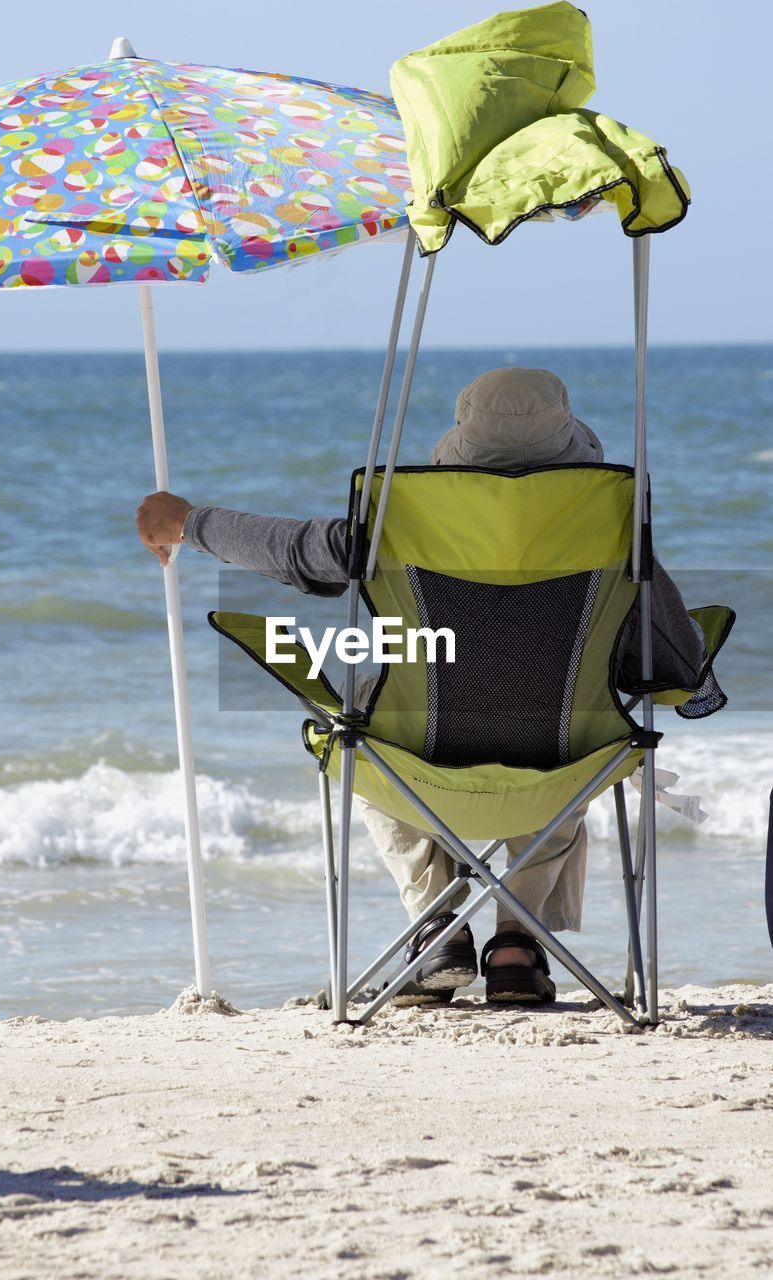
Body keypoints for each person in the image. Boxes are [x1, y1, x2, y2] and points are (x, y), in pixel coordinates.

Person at [136, 368, 703, 1005]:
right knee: (574, 720)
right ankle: (516, 945)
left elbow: (291, 550)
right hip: (556, 781)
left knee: (359, 718)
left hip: (417, 774)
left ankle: (437, 925)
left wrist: (191, 522)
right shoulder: (616, 530)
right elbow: (682, 668)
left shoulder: (391, 522)